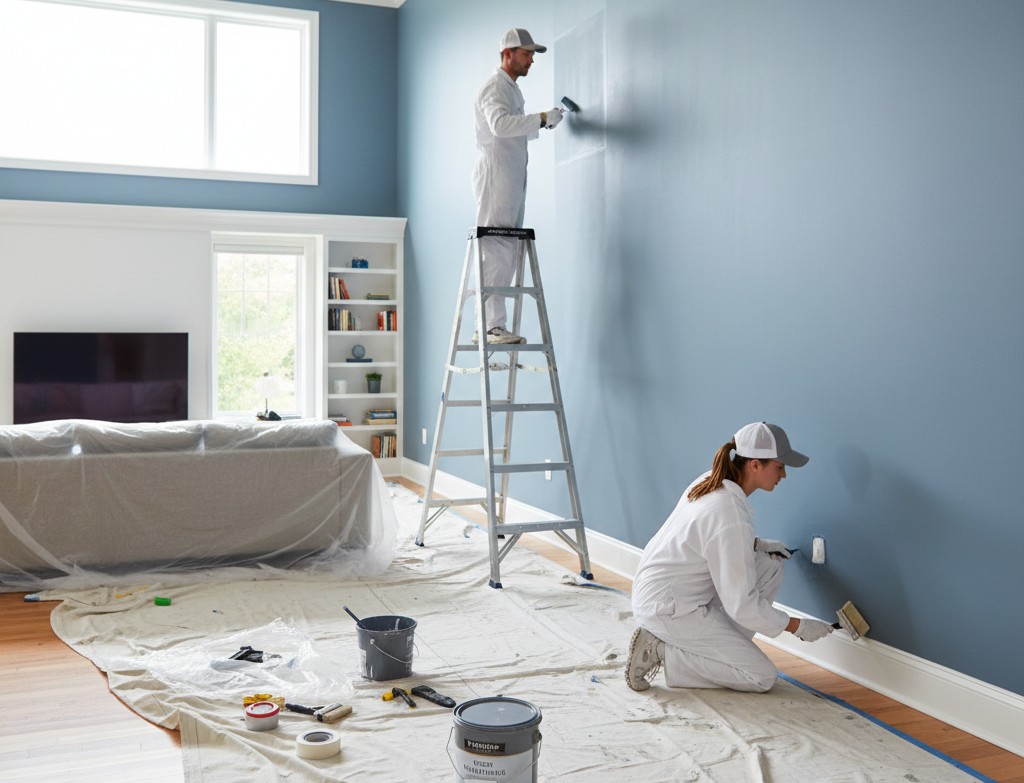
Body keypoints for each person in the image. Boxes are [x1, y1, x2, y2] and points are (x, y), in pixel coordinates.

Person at [625, 422, 833, 694]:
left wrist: (754, 544)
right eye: (780, 467)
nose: (784, 475)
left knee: (770, 566)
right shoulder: (729, 514)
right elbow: (742, 606)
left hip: (667, 592)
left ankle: (723, 648)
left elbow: (704, 539)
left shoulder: (710, 480)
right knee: (761, 676)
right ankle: (663, 651)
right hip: (670, 610)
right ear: (755, 465)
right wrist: (797, 626)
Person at [472, 28, 565, 344]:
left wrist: (544, 122)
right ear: (507, 53)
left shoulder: (511, 89)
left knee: (506, 248)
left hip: (511, 179)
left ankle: (493, 324)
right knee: (496, 246)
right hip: (496, 177)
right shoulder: (494, 88)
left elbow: (514, 130)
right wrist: (539, 118)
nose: (531, 61)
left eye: (532, 55)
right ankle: (489, 326)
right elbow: (499, 126)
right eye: (526, 54)